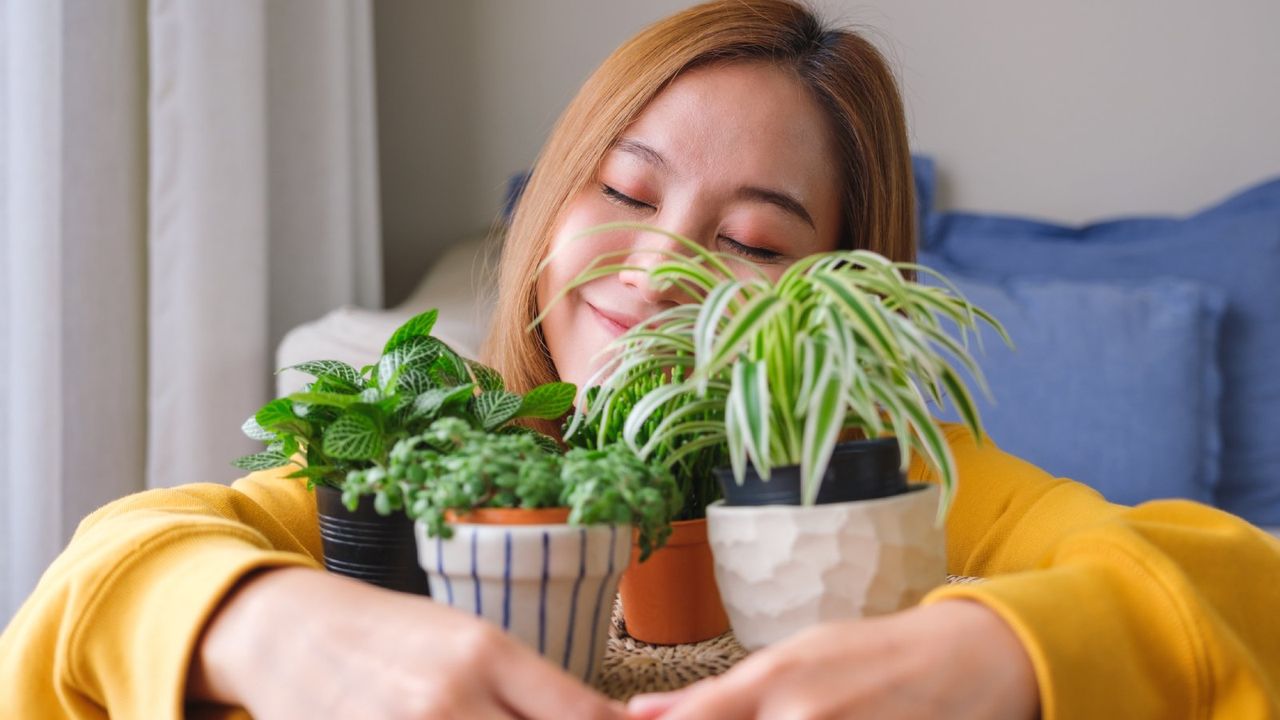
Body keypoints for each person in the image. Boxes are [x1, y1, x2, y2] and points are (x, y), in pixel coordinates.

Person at [2, 1, 1277, 718]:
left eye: (749, 239)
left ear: (840, 296)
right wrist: (271, 629)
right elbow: (106, 575)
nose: (662, 262)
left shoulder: (902, 494)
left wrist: (994, 654)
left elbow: (1234, 585)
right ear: (552, 204)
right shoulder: (450, 446)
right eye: (623, 188)